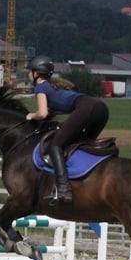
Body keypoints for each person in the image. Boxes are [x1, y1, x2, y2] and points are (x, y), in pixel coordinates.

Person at [25, 55, 110, 203]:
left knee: (55, 145)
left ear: (36, 73)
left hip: (87, 108)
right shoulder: (52, 86)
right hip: (100, 108)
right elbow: (60, 107)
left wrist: (31, 115)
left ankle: (64, 189)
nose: (28, 74)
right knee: (82, 144)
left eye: (29, 71)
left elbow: (42, 112)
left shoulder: (40, 87)